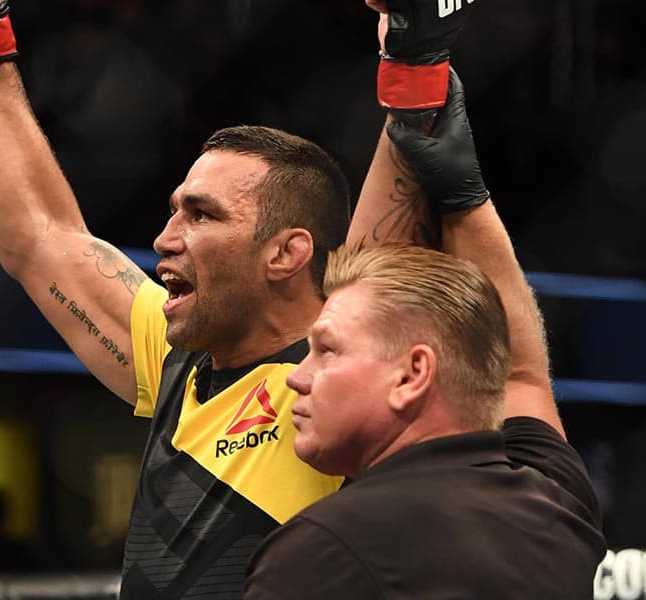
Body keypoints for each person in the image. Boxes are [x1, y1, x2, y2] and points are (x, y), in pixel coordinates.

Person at [0, 0, 471, 596]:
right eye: (174, 211)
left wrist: (414, 60)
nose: (165, 238)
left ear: (286, 254)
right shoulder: (177, 360)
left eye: (201, 215)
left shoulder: (338, 381)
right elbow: (36, 236)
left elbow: (385, 244)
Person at [242, 48, 607, 600]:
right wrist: (466, 193)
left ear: (412, 373)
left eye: (328, 350)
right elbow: (522, 376)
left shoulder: (325, 551)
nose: (297, 374)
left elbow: (518, 373)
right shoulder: (554, 507)